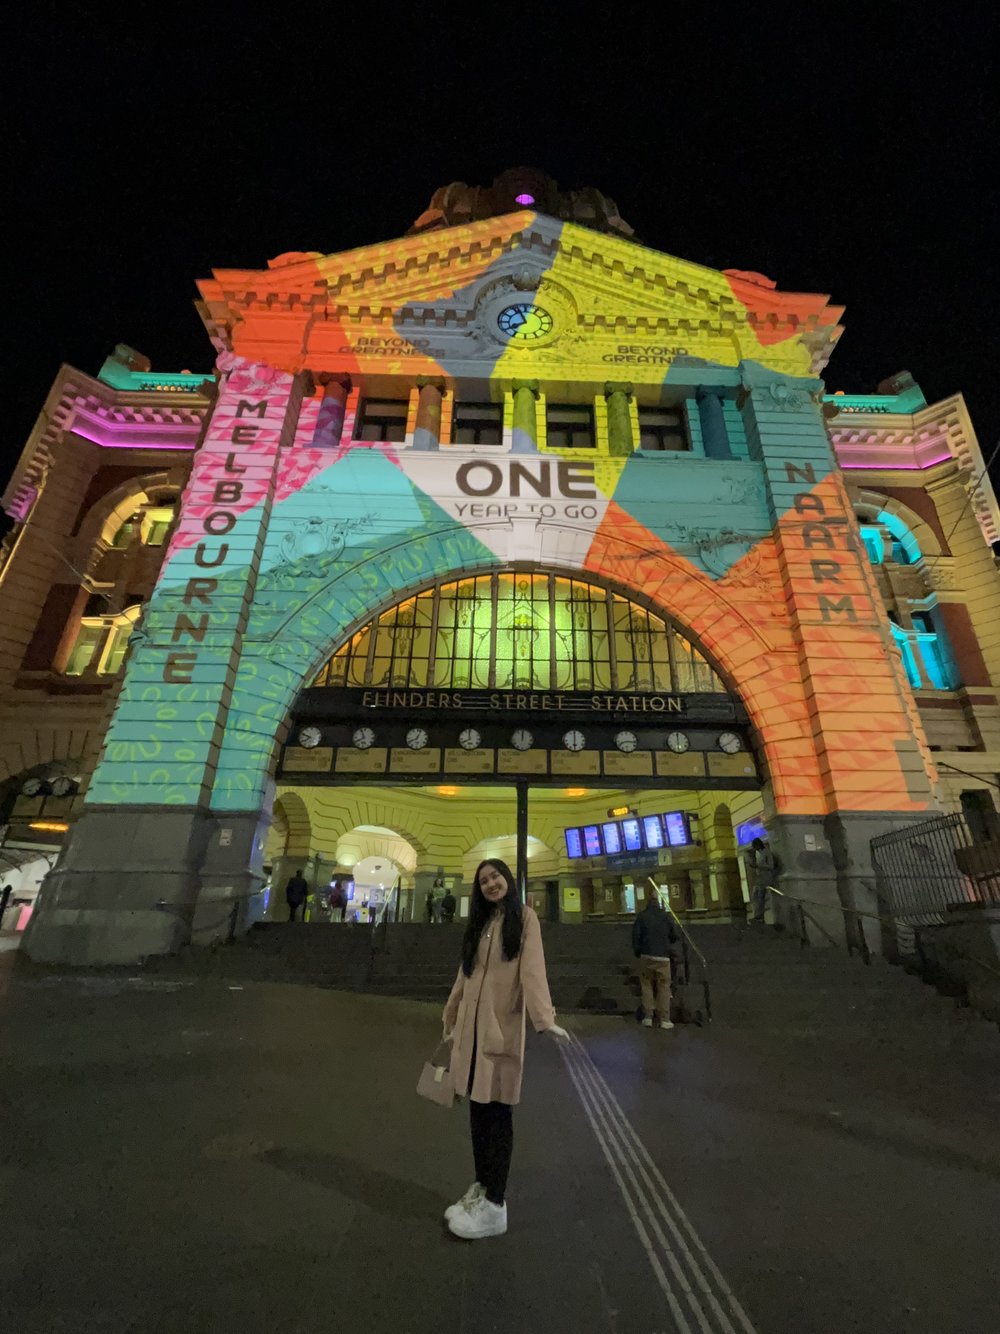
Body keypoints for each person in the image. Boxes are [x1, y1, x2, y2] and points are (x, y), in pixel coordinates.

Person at [442, 858, 568, 1240]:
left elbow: (533, 971)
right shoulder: (480, 924)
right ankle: (480, 1188)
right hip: (471, 1034)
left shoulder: (524, 919)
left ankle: (495, 1203)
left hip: (500, 1034)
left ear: (508, 879)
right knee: (478, 1115)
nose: (491, 884)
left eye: (495, 876)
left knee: (498, 1116)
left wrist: (544, 1019)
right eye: (483, 881)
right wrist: (450, 1015)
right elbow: (466, 974)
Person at [632, 890, 678, 1030]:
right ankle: (664, 1019)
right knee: (664, 986)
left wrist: (638, 952)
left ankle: (648, 1017)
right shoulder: (666, 916)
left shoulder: (642, 916)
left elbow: (636, 936)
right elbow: (674, 934)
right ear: (658, 903)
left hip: (646, 955)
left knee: (646, 985)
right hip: (663, 956)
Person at [748, 837, 776, 924]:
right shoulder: (758, 854)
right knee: (755, 896)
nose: (755, 848)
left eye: (755, 846)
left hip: (765, 877)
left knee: (760, 897)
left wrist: (760, 866)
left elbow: (771, 866)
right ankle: (758, 915)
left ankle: (759, 917)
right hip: (759, 877)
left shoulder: (766, 852)